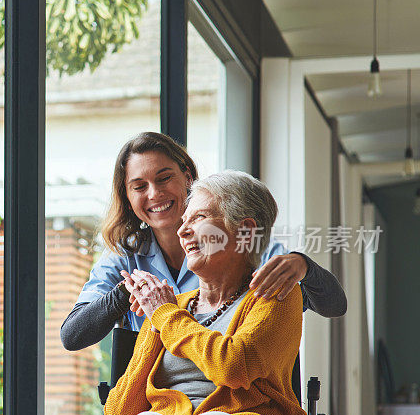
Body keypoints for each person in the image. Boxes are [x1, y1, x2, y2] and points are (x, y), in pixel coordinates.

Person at [100, 171, 320, 415]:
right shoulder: (172, 306)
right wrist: (157, 322)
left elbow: (234, 365)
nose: (182, 230)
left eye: (199, 217)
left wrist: (164, 316)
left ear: (244, 231)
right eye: (183, 220)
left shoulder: (274, 295)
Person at [60, 132, 346, 351]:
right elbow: (72, 336)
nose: (154, 194)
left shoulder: (245, 242)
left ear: (188, 177)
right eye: (139, 186)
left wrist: (303, 265)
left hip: (237, 396)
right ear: (127, 195)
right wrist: (126, 293)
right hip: (156, 401)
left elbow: (334, 305)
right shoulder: (126, 257)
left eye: (164, 178)